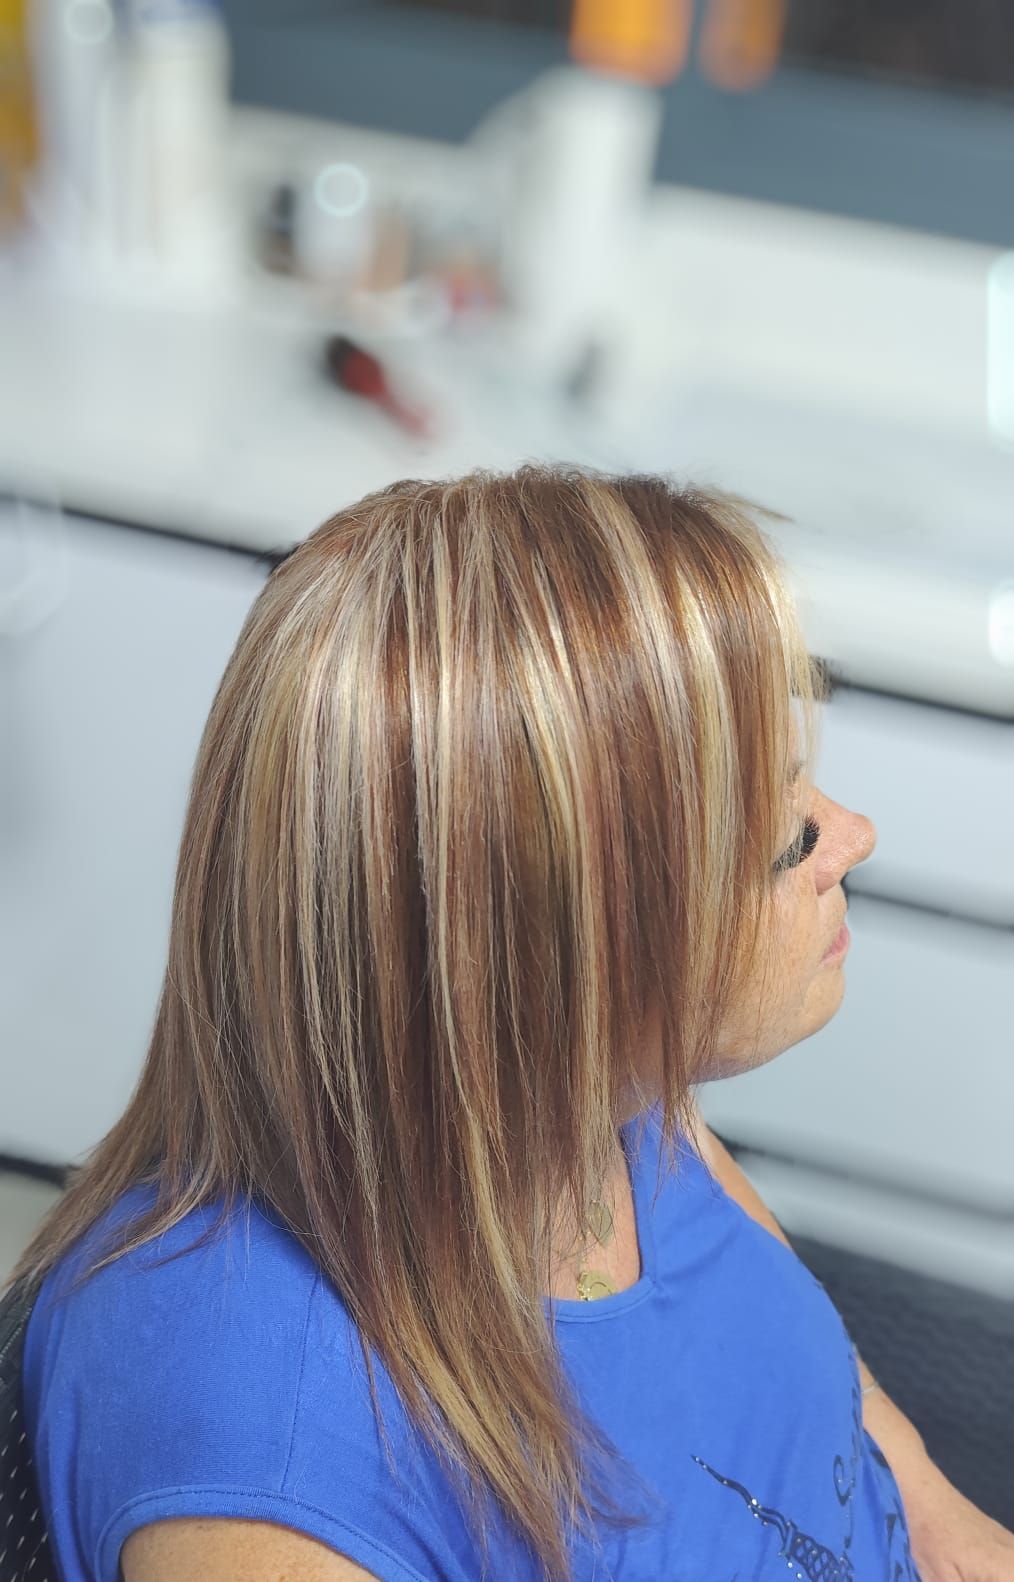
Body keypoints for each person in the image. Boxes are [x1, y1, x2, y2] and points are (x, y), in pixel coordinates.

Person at [9, 465, 1011, 1582]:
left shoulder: (613, 1111)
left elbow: (774, 1353)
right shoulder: (272, 1468)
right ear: (562, 949)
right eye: (786, 836)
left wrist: (938, 1515)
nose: (854, 835)